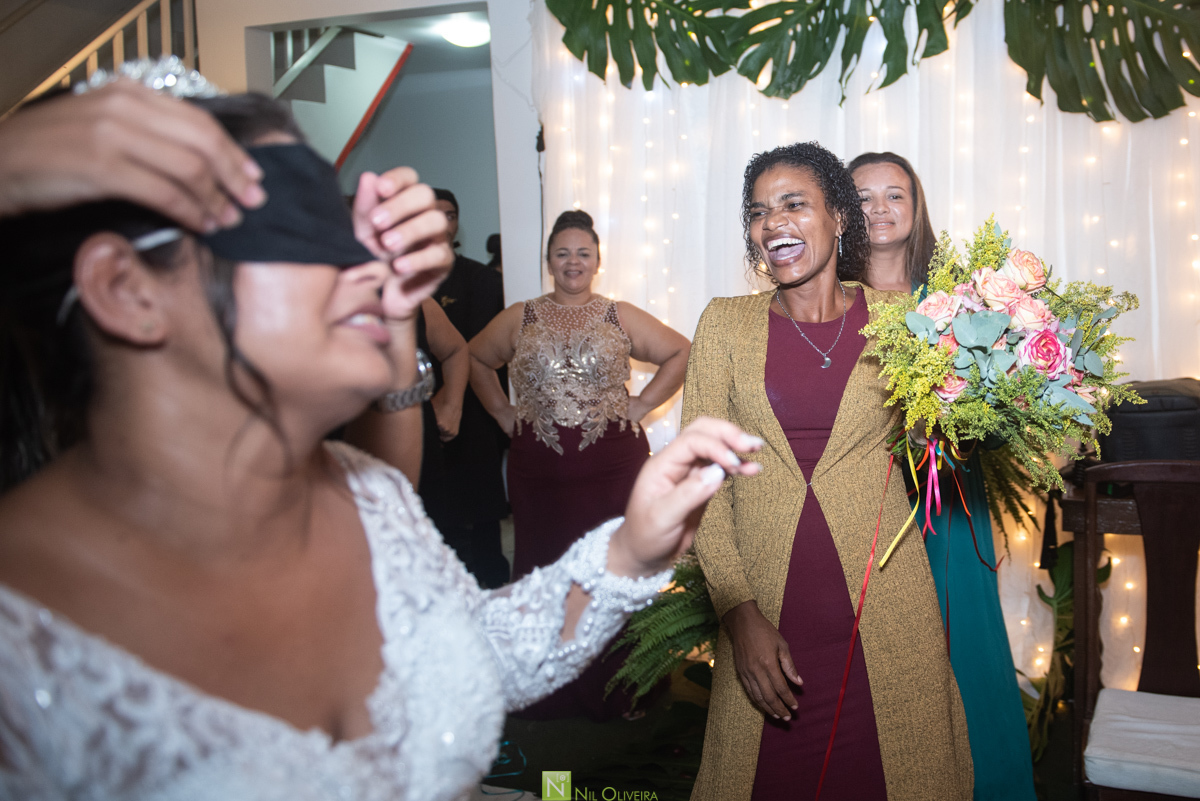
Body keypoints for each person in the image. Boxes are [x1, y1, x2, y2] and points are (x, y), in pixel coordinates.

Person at [0, 86, 764, 800]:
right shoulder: (21, 623)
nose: (363, 262)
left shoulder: (368, 496)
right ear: (129, 290)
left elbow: (466, 657)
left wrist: (629, 551)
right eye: (298, 227)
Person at [684, 142, 973, 801]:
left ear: (840, 217)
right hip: (767, 613)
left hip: (888, 609)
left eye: (794, 204)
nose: (773, 222)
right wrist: (737, 610)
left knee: (895, 773)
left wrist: (951, 416)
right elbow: (702, 481)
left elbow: (936, 448)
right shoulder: (724, 325)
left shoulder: (903, 322)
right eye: (759, 211)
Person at [850, 151, 1037, 800]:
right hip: (859, 498)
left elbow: (998, 396)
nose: (879, 207)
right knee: (871, 653)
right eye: (863, 195)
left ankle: (990, 782)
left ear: (916, 205)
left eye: (894, 194)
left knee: (968, 648)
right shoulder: (828, 302)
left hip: (947, 492)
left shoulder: (958, 297)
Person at [469, 209, 692, 719]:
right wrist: (503, 413)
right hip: (538, 474)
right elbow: (476, 358)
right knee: (542, 569)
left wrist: (641, 404)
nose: (573, 262)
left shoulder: (619, 314)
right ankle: (546, 687)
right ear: (549, 260)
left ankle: (625, 688)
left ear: (597, 262)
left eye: (583, 254)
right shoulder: (520, 316)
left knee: (615, 572)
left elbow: (679, 351)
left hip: (613, 471)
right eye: (563, 252)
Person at [427, 187, 510, 588]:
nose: (442, 221)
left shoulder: (479, 278)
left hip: (473, 415)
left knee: (480, 525)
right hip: (414, 415)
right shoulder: (402, 282)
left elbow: (474, 350)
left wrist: (454, 402)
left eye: (450, 213)